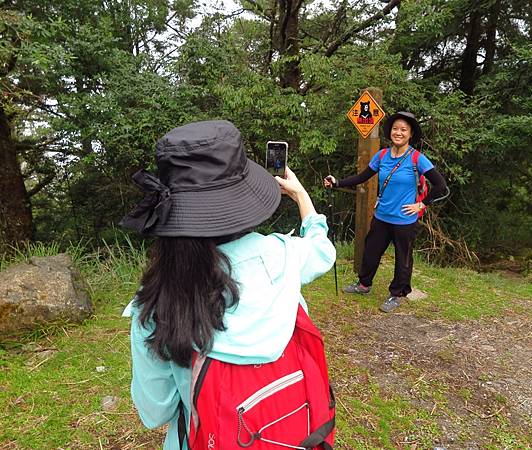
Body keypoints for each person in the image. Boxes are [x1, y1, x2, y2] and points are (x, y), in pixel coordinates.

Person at [120, 120, 336, 449]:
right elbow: (323, 252)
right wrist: (301, 195)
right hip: (294, 433)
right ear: (243, 195)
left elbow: (156, 411)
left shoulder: (153, 305)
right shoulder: (284, 255)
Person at [324, 111, 447, 313]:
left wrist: (422, 204)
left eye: (403, 130)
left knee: (403, 258)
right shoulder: (382, 155)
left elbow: (440, 185)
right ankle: (364, 285)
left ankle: (397, 294)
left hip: (405, 219)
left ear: (410, 134)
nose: (398, 132)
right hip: (382, 216)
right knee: (371, 251)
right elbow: (362, 177)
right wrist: (337, 183)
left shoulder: (417, 158)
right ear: (390, 132)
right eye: (395, 129)